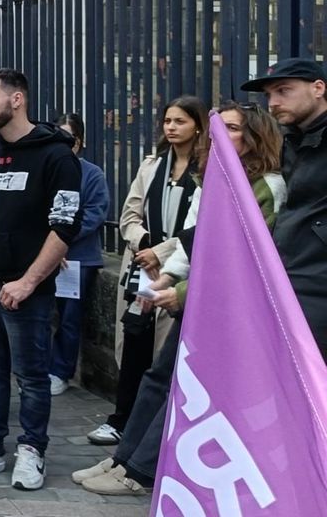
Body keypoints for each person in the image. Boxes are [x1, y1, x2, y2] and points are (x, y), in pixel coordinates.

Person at [74, 101, 286, 496]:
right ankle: (125, 458)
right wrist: (166, 280)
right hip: (200, 296)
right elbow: (195, 240)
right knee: (157, 377)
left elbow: (243, 257)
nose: (222, 136)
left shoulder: (267, 187)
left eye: (234, 129)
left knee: (184, 386)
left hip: (228, 307)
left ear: (256, 137)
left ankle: (141, 472)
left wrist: (181, 291)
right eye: (220, 128)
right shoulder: (212, 178)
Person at [0, 69, 84, 491]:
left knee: (31, 375)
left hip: (27, 289)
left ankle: (32, 449)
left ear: (17, 99)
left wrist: (28, 281)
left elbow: (64, 227)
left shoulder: (57, 156)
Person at [85, 96, 206, 446]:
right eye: (167, 121)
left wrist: (162, 251)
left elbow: (200, 226)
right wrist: (143, 244)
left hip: (177, 267)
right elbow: (128, 215)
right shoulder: (152, 166)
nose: (171, 127)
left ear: (197, 125)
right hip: (142, 266)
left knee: (164, 349)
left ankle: (156, 427)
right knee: (134, 339)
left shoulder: (206, 171)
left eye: (179, 121)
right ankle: (121, 418)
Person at [241, 57, 327, 356]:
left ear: (318, 88)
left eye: (283, 90)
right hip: (290, 280)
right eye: (268, 95)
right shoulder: (291, 140)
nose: (273, 102)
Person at [49, 114, 110, 396]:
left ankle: (61, 371)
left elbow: (94, 214)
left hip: (77, 258)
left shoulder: (92, 174)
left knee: (69, 317)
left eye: (69, 138)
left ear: (80, 142)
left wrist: (60, 243)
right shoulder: (49, 168)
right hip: (46, 255)